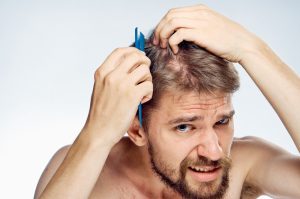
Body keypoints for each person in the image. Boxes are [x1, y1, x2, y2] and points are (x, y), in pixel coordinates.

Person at [34, 4, 300, 199]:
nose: (214, 151)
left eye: (222, 121)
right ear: (137, 129)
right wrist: (97, 134)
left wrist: (252, 49)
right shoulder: (84, 169)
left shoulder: (244, 164)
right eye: (184, 127)